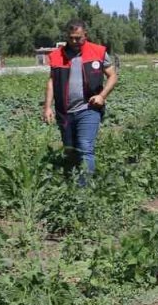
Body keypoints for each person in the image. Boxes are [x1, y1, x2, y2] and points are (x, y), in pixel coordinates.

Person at [43, 19, 118, 186]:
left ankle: (83, 192)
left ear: (86, 35)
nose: (75, 41)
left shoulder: (97, 52)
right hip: (65, 112)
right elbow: (51, 81)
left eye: (78, 38)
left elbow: (113, 76)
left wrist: (102, 96)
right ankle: (72, 184)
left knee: (85, 147)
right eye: (71, 38)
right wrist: (47, 107)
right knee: (70, 151)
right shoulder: (57, 55)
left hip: (89, 108)